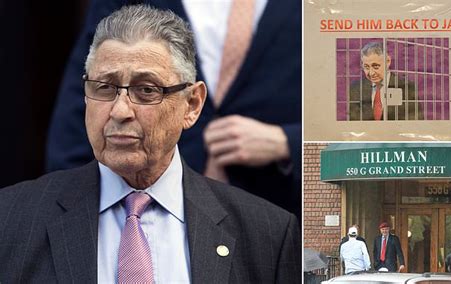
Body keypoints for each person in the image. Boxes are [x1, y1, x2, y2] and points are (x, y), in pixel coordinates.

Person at [0, 6, 301, 283]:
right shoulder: (12, 220)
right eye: (104, 88)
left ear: (192, 105)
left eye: (146, 90)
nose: (120, 111)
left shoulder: (267, 236)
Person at [45, 0, 301, 218]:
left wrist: (287, 143)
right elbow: (92, 91)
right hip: (136, 210)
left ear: (194, 103)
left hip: (278, 206)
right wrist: (69, 214)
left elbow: (341, 111)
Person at [349, 41, 423, 121]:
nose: (371, 73)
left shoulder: (407, 88)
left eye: (376, 66)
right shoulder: (355, 89)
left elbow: (415, 123)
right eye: (366, 67)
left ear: (387, 61)